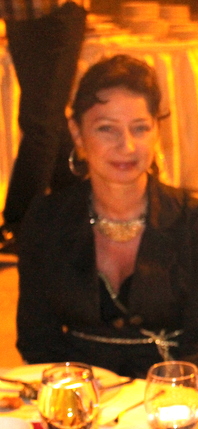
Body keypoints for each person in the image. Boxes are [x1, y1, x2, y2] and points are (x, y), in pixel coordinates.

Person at [16, 54, 198, 393]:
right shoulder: (46, 219)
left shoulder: (193, 221)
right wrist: (77, 393)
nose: (126, 146)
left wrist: (165, 393)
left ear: (157, 131)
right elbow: (37, 339)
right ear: (77, 134)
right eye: (107, 129)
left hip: (173, 397)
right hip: (79, 395)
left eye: (140, 128)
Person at [0, 0, 88, 257]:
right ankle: (75, 208)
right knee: (47, 117)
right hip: (18, 12)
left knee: (40, 121)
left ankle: (21, 224)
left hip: (57, 10)